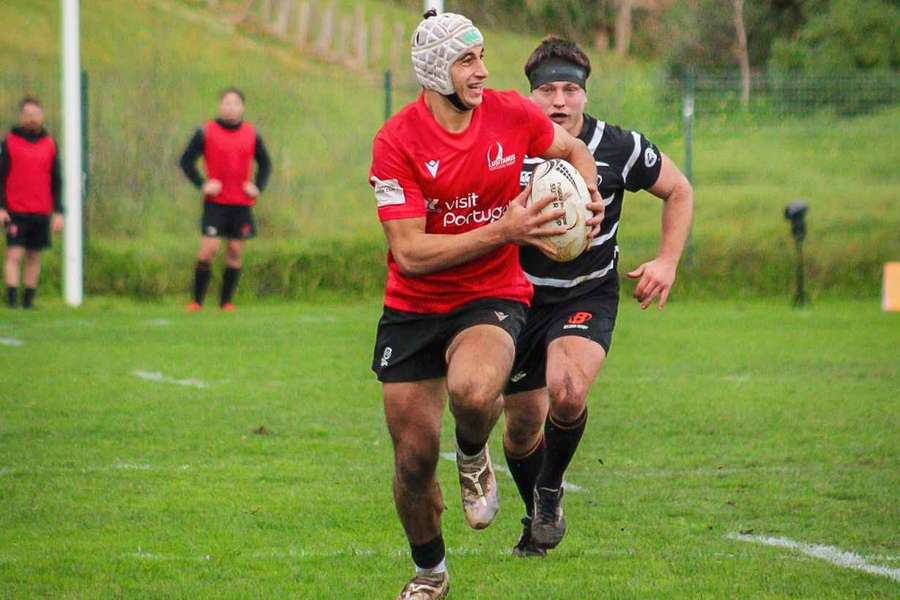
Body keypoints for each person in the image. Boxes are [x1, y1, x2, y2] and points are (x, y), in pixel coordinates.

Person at [370, 12, 605, 600]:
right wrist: (505, 228)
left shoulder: (509, 112)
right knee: (413, 461)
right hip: (414, 306)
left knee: (475, 393)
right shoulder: (396, 142)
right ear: (434, 70)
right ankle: (430, 571)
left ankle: (473, 453)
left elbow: (572, 148)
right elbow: (411, 252)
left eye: (481, 57)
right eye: (467, 60)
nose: (482, 71)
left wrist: (589, 191)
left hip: (490, 295)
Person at [502, 37, 694, 557]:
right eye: (547, 90)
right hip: (513, 302)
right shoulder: (504, 146)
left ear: (584, 94)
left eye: (570, 89)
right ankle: (538, 515)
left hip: (585, 294)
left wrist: (667, 260)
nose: (559, 101)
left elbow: (679, 189)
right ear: (530, 96)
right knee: (520, 432)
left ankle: (548, 488)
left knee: (567, 391)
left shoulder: (616, 146)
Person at [179, 87, 271, 312]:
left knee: (235, 251)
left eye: (235, 103)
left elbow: (265, 164)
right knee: (208, 249)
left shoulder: (251, 133)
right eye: (227, 103)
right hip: (215, 202)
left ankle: (225, 303)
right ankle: (197, 301)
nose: (231, 107)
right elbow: (186, 161)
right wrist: (203, 184)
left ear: (242, 107)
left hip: (240, 203)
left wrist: (256, 186)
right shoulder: (206, 131)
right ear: (220, 106)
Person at [0, 97, 64, 309]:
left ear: (42, 117)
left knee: (34, 255)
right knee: (14, 254)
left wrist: (58, 211)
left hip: (40, 210)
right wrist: (1, 208)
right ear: (21, 117)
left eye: (36, 115)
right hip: (16, 209)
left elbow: (56, 179)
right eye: (28, 115)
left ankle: (28, 301)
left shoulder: (50, 144)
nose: (32, 120)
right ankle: (11, 301)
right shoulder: (9, 142)